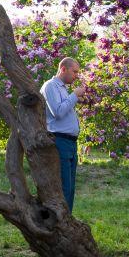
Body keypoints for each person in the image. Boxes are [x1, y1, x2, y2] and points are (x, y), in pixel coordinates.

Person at [40, 57, 85, 212]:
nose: (76, 75)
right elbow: (57, 112)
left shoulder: (62, 88)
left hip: (70, 143)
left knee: (70, 186)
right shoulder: (50, 86)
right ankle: (62, 222)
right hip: (60, 141)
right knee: (64, 186)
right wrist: (74, 95)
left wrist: (75, 99)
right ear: (63, 69)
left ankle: (68, 220)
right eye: (75, 71)